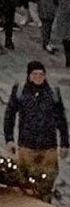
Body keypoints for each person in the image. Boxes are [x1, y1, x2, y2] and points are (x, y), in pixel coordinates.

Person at [6, 63, 68, 196]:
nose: (38, 77)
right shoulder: (20, 91)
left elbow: (61, 119)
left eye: (41, 75)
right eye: (35, 74)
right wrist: (9, 139)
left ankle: (45, 201)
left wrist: (64, 143)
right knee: (26, 181)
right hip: (27, 146)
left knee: (48, 180)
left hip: (48, 146)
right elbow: (10, 115)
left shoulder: (53, 93)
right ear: (29, 76)